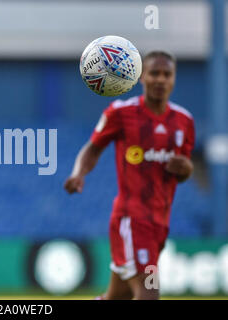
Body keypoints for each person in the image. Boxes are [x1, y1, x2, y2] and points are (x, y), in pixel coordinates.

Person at [64, 51, 194, 300]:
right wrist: (79, 173)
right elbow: (93, 147)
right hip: (131, 219)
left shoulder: (184, 121)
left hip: (159, 222)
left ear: (174, 79)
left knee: (118, 296)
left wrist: (186, 169)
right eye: (154, 73)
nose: (160, 79)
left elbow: (184, 171)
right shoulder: (122, 113)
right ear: (142, 76)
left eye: (167, 74)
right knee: (150, 290)